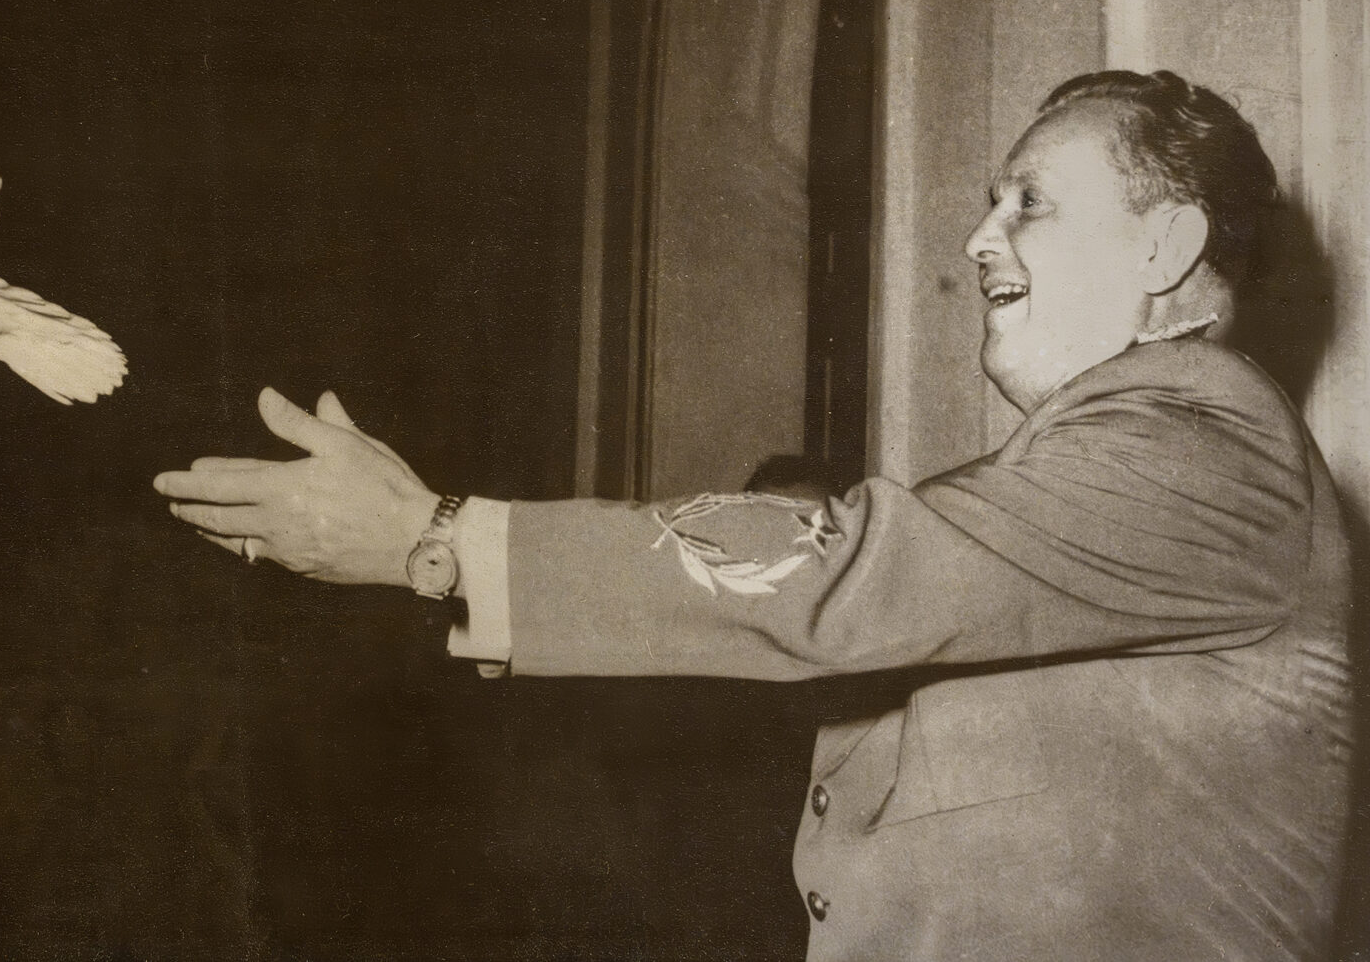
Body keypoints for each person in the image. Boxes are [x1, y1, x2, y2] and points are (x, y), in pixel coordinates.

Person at [153, 70, 1354, 961]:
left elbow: (848, 575)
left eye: (1028, 202)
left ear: (1169, 244)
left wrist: (441, 539)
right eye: (988, 204)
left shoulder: (1214, 445)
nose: (980, 238)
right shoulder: (1124, 456)